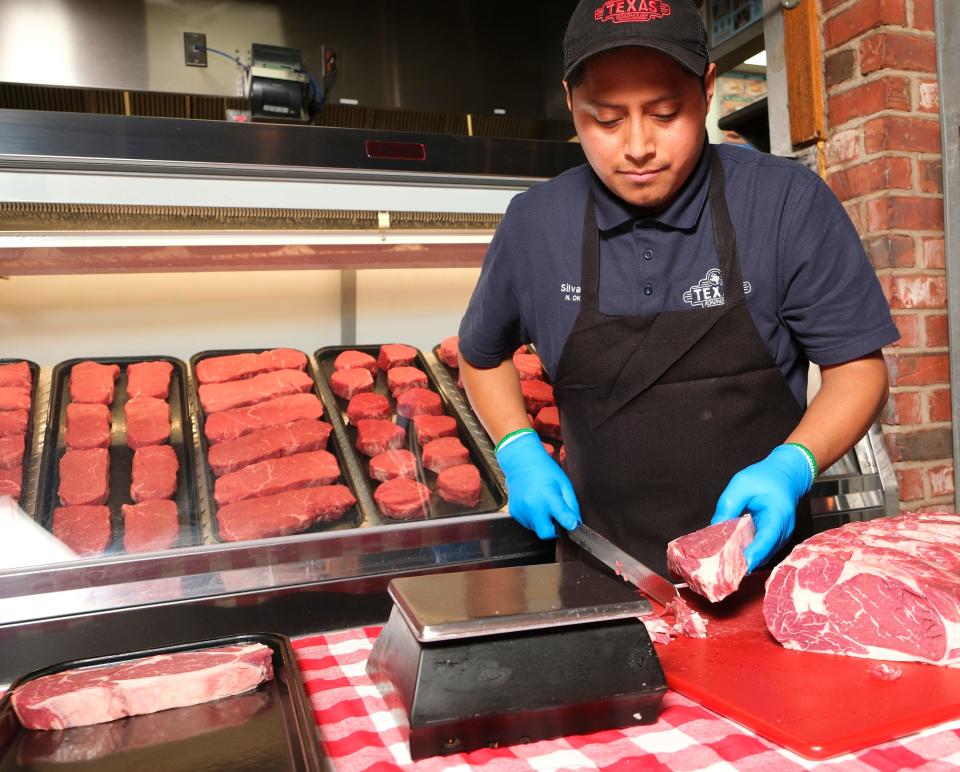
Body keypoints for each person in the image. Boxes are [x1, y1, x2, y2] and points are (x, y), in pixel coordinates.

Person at [457, 0, 898, 577]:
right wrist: (517, 447)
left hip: (762, 572)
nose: (638, 146)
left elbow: (858, 370)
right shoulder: (535, 224)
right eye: (607, 120)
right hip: (603, 568)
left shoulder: (786, 204)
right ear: (570, 101)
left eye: (665, 113)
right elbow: (480, 356)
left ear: (708, 89)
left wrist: (793, 465)